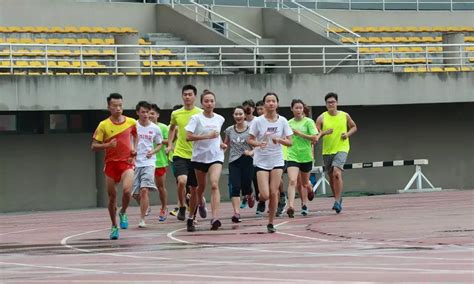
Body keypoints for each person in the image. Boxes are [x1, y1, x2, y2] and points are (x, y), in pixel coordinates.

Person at [91, 93, 137, 240]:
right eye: (115, 106)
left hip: (126, 163)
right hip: (111, 165)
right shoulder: (103, 125)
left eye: (120, 106)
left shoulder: (131, 122)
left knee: (127, 190)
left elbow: (136, 136)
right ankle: (114, 226)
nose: (118, 108)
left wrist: (134, 149)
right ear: (109, 107)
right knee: (112, 198)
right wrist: (108, 145)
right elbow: (93, 146)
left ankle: (123, 212)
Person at [248, 93, 292, 233]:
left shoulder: (283, 121)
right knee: (265, 195)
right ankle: (259, 198)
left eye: (273, 101)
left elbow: (290, 142)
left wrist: (279, 140)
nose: (271, 103)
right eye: (268, 101)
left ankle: (271, 222)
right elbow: (250, 139)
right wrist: (258, 143)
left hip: (277, 159)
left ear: (277, 104)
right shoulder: (258, 121)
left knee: (274, 193)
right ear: (264, 104)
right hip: (261, 161)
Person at [185, 90, 226, 231]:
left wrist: (221, 143)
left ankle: (215, 218)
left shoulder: (220, 118)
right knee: (198, 189)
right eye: (206, 101)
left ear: (215, 103)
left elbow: (217, 135)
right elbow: (188, 137)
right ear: (202, 103)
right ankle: (191, 215)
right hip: (199, 158)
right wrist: (207, 136)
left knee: (214, 184)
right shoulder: (196, 119)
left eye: (212, 101)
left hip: (216, 157)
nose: (209, 103)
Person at [166, 85, 207, 221]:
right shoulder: (176, 113)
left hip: (197, 155)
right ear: (182, 96)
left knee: (194, 189)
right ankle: (182, 206)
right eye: (185, 94)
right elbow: (172, 128)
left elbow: (208, 130)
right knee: (182, 181)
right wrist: (170, 144)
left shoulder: (201, 113)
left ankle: (192, 216)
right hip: (180, 153)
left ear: (195, 96)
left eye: (190, 94)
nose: (187, 97)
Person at [315, 92, 357, 214]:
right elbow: (316, 136)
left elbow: (354, 127)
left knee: (337, 173)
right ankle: (337, 198)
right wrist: (324, 132)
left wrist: (347, 134)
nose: (331, 104)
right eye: (328, 102)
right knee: (331, 177)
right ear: (326, 104)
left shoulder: (345, 115)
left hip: (342, 148)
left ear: (337, 103)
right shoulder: (321, 118)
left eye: (333, 102)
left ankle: (337, 201)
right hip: (327, 150)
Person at [132, 101, 163, 228]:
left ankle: (142, 219)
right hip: (135, 162)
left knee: (144, 190)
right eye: (143, 112)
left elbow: (160, 144)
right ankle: (146, 206)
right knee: (134, 193)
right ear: (138, 113)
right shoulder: (133, 125)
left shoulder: (155, 128)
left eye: (147, 112)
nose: (145, 115)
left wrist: (153, 151)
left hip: (149, 162)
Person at [286, 99, 318, 218]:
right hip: (292, 155)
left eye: (300, 108)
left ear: (303, 109)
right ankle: (291, 206)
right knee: (293, 181)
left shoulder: (309, 122)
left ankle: (310, 190)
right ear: (292, 109)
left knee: (304, 183)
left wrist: (299, 134)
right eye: (296, 108)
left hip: (305, 156)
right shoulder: (288, 123)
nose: (298, 110)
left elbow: (315, 139)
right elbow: (285, 138)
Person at [224, 106, 254, 223]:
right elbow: (225, 144)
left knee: (246, 186)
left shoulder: (251, 129)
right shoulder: (229, 130)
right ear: (233, 116)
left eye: (240, 114)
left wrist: (251, 152)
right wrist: (223, 147)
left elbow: (257, 145)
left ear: (245, 115)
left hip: (247, 160)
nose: (238, 116)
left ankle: (249, 195)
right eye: (236, 114)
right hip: (234, 162)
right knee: (235, 187)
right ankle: (236, 213)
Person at [149, 104, 169, 222]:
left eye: (152, 113)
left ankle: (164, 207)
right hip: (146, 161)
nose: (150, 116)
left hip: (160, 161)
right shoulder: (142, 126)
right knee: (143, 187)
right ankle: (146, 206)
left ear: (157, 115)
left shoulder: (163, 127)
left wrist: (159, 141)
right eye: (148, 113)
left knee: (160, 187)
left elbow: (169, 140)